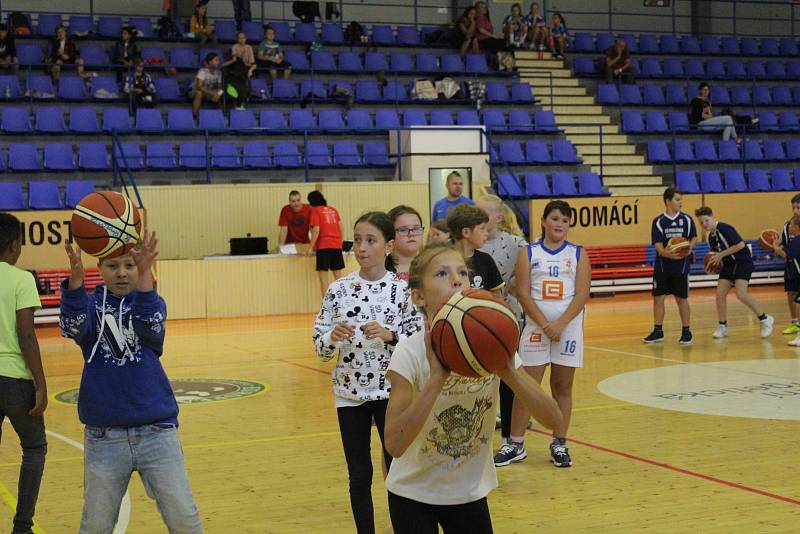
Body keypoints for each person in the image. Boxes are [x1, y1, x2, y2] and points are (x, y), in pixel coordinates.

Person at [383, 242, 563, 534]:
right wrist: (436, 379)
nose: (456, 279)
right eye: (441, 274)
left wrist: (508, 370)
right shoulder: (410, 351)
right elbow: (394, 444)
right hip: (412, 493)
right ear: (418, 296)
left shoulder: (492, 347)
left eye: (462, 273)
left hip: (468, 494)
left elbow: (554, 420)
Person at [60, 232, 203, 533]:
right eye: (113, 266)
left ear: (141, 269)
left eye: (130, 265)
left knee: (184, 520)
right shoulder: (89, 306)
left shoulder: (152, 303)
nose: (122, 273)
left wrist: (146, 283)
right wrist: (75, 283)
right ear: (99, 268)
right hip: (104, 437)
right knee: (95, 525)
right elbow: (72, 327)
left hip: (157, 432)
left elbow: (152, 330)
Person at [313, 212, 422, 534]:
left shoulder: (403, 292)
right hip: (349, 396)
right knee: (358, 474)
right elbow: (319, 349)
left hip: (393, 395)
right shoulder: (338, 289)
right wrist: (332, 338)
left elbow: (418, 344)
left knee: (397, 469)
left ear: (388, 246)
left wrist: (390, 336)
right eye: (357, 239)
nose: (361, 247)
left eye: (370, 240)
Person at [495, 200, 591, 469]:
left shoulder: (578, 253)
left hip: (568, 329)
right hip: (537, 328)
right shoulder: (529, 252)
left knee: (562, 387)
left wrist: (560, 324)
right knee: (527, 387)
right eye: (555, 218)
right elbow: (522, 292)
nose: (560, 224)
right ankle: (515, 444)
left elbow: (582, 293)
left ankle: (559, 442)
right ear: (544, 221)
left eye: (565, 220)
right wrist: (545, 324)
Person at [0, 213, 48, 534]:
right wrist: (41, 384)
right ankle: (22, 526)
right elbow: (26, 336)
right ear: (15, 245)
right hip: (15, 380)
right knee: (34, 448)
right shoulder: (21, 279)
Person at [476, 195, 527, 449]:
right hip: (477, 319)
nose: (477, 214)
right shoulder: (473, 246)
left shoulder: (517, 244)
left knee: (509, 376)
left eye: (481, 211)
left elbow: (527, 281)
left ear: (497, 217)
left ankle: (510, 434)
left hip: (509, 317)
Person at [695, 207, 773, 339]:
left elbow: (740, 245)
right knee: (719, 295)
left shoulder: (724, 228)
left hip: (742, 262)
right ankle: (723, 326)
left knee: (741, 294)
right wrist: (713, 266)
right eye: (701, 223)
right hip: (729, 265)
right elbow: (719, 257)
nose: (704, 224)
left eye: (706, 220)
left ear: (712, 217)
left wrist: (720, 255)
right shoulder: (711, 237)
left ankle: (765, 319)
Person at [644, 187, 697, 345]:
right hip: (662, 266)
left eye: (681, 199)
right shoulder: (659, 221)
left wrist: (689, 248)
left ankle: (687, 331)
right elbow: (658, 246)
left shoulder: (687, 220)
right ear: (668, 201)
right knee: (658, 298)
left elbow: (694, 237)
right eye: (677, 199)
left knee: (682, 299)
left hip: (680, 267)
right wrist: (667, 253)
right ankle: (658, 331)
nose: (681, 203)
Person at [447, 204, 504, 296]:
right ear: (466, 232)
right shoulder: (444, 261)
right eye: (482, 229)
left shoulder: (486, 260)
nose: (487, 233)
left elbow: (497, 296)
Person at [306, 190, 345, 297]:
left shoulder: (316, 211)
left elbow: (316, 230)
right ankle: (344, 305)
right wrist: (339, 243)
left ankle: (327, 310)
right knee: (339, 279)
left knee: (324, 280)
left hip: (324, 246)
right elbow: (341, 228)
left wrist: (310, 247)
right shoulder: (333, 210)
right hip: (336, 246)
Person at [772, 194, 800, 340]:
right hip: (791, 265)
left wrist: (778, 249)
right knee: (791, 293)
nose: (795, 210)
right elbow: (783, 243)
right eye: (793, 207)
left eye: (798, 207)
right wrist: (776, 245)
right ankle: (795, 322)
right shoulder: (787, 225)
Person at [388, 205, 424, 280]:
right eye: (403, 230)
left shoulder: (433, 267)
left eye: (416, 228)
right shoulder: (380, 272)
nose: (411, 234)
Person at [190, 52, 223, 117]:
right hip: (194, 90)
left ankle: (221, 117)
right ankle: (194, 116)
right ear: (210, 62)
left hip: (207, 91)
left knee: (220, 94)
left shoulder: (219, 73)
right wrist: (212, 93)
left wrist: (218, 94)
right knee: (199, 93)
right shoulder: (203, 71)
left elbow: (221, 87)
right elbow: (199, 87)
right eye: (216, 60)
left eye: (218, 60)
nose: (218, 62)